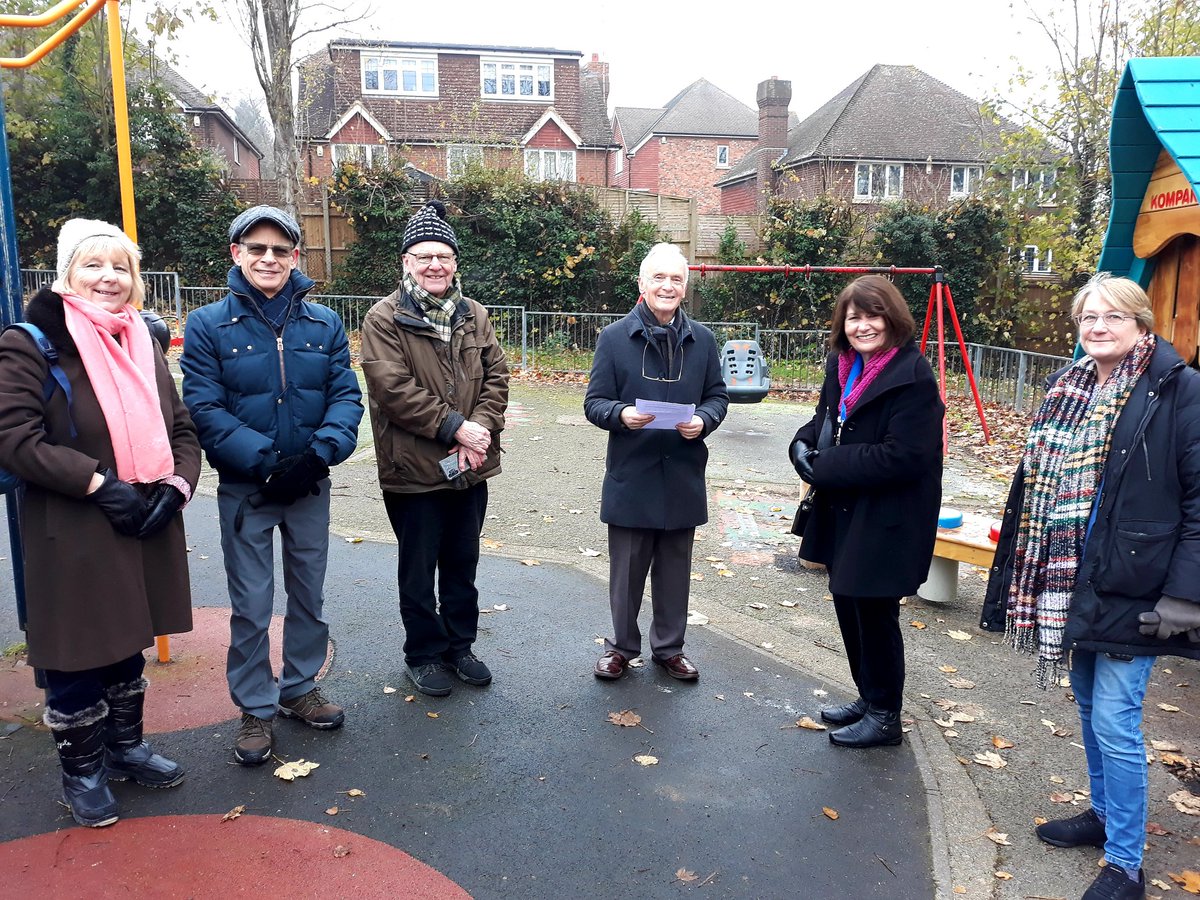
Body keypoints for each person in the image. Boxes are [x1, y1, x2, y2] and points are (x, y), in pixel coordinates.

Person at [982, 273, 1200, 900]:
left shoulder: (1177, 392)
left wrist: (1184, 595)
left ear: (1141, 324)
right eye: (1087, 318)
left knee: (1115, 718)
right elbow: (1037, 488)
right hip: (1070, 578)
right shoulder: (1068, 387)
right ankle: (1105, 816)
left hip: (1138, 582)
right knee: (1087, 706)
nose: (1097, 327)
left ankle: (1126, 862)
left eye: (1112, 316)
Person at [0, 219, 200, 826]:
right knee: (76, 650)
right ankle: (82, 771)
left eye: (121, 267)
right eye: (94, 265)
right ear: (66, 273)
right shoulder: (31, 341)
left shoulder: (141, 339)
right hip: (74, 524)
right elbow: (12, 437)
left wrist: (177, 485)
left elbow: (181, 426)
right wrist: (97, 482)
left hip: (143, 518)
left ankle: (125, 746)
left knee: (126, 641)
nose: (109, 278)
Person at [180, 206, 363, 766]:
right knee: (253, 603)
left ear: (295, 258)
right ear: (236, 254)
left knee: (308, 591)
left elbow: (346, 398)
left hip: (308, 484)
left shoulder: (324, 324)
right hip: (247, 491)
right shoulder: (208, 325)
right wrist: (263, 462)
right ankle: (255, 709)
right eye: (256, 248)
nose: (268, 259)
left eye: (280, 251)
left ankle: (299, 689)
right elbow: (204, 408)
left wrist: (317, 457)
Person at [359, 200, 509, 698]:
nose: (434, 265)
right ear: (406, 262)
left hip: (471, 465)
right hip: (414, 470)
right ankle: (423, 654)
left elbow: (497, 378)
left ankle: (459, 647)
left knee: (463, 562)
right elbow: (392, 390)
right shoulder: (384, 319)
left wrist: (479, 431)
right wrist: (455, 428)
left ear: (455, 262)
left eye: (443, 255)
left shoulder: (475, 315)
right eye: (423, 256)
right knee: (419, 568)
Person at [788, 275, 943, 748]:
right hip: (845, 509)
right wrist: (799, 445)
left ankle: (885, 715)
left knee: (874, 614)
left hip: (888, 515)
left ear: (891, 318)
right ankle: (867, 695)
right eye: (854, 317)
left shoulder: (912, 375)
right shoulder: (842, 364)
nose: (863, 325)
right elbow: (824, 420)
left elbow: (905, 455)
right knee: (847, 602)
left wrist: (825, 465)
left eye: (872, 315)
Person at [584, 242, 728, 682]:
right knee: (626, 573)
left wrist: (703, 420)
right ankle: (621, 648)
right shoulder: (613, 338)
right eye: (659, 278)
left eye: (676, 279)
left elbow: (717, 396)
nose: (668, 286)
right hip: (633, 472)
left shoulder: (702, 341)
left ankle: (669, 648)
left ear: (686, 287)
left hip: (682, 473)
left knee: (674, 572)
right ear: (642, 284)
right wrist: (621, 415)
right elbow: (594, 403)